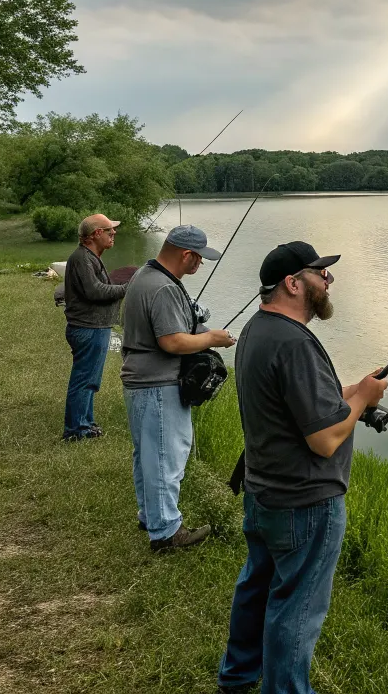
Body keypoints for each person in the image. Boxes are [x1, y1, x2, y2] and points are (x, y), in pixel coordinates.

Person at [217, 241, 388, 694]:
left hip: (265, 491)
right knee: (296, 609)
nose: (328, 280)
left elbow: (309, 406)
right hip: (304, 502)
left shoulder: (259, 329)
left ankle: (236, 678)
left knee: (257, 589)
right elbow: (326, 437)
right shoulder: (294, 343)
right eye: (320, 273)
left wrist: (356, 390)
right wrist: (365, 400)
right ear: (293, 283)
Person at [121, 224, 236, 553]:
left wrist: (195, 325)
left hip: (140, 381)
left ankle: (151, 516)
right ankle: (167, 533)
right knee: (164, 457)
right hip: (157, 385)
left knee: (147, 455)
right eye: (199, 259)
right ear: (186, 255)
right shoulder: (165, 288)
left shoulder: (146, 274)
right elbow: (171, 341)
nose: (200, 265)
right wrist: (212, 338)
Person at [61, 214, 130, 441]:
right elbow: (95, 291)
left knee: (90, 380)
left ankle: (86, 424)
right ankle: (75, 430)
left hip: (94, 328)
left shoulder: (89, 257)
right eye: (110, 230)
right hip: (88, 328)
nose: (114, 234)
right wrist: (127, 288)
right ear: (96, 234)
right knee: (84, 380)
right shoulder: (82, 258)